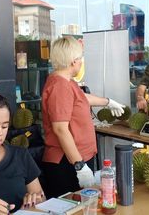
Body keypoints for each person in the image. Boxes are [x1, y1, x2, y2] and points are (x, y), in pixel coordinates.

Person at [41, 36, 125, 198]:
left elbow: (82, 97)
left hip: (77, 158)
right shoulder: (60, 86)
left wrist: (108, 102)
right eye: (81, 58)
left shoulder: (66, 81)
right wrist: (79, 165)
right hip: (67, 162)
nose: (81, 62)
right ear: (73, 61)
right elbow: (60, 129)